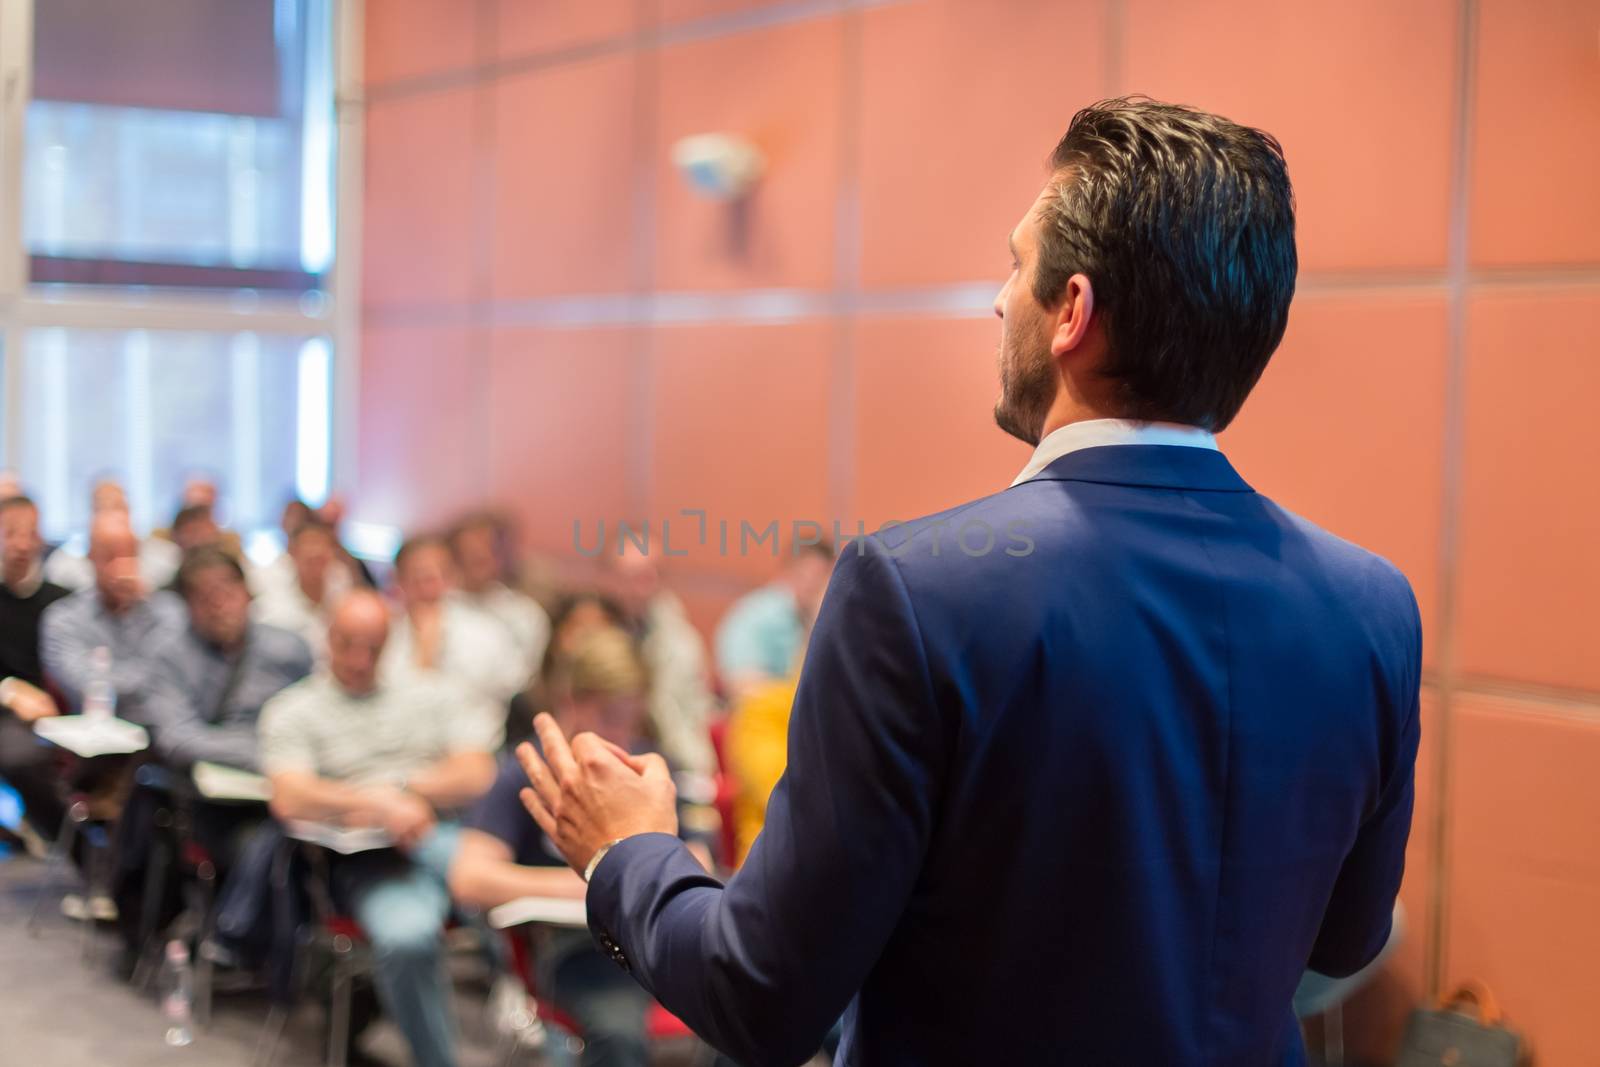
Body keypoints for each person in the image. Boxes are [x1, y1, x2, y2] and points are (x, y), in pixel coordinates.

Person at [514, 99, 1422, 1066]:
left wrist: (629, 852)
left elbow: (762, 994)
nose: (999, 300)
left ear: (1071, 312)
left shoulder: (912, 592)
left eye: (1015, 265)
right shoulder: (1372, 606)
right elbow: (1345, 938)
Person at [258, 590, 498, 1067]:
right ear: (327, 637)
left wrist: (403, 789)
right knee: (408, 938)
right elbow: (290, 796)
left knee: (530, 902)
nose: (359, 659)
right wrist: (375, 803)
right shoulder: (294, 709)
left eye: (373, 646)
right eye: (348, 643)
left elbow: (477, 772)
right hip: (365, 859)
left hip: (441, 837)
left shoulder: (426, 693)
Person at [451, 627, 695, 1067]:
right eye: (609, 717)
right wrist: (600, 879)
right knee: (618, 1032)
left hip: (652, 943)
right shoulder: (527, 772)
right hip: (572, 948)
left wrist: (617, 875)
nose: (621, 735)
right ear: (571, 702)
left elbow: (699, 862)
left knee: (758, 1008)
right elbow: (470, 878)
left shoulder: (646, 763)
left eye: (631, 718)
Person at [40, 510, 183, 721]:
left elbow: (181, 674)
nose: (121, 568)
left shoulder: (168, 611)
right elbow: (87, 687)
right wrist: (150, 681)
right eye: (110, 556)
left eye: (129, 555)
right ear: (90, 557)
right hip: (98, 739)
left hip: (166, 733)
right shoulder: (63, 618)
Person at [382, 535, 524, 725]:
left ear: (452, 577)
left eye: (438, 575)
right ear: (398, 579)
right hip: (403, 741)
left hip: (472, 743)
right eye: (418, 576)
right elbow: (389, 701)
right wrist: (424, 655)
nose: (429, 586)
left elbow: (500, 692)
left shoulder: (485, 632)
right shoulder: (386, 633)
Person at [604, 543, 716, 776]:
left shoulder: (680, 638)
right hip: (607, 757)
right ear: (609, 579)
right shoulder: (591, 630)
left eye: (654, 574)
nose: (646, 586)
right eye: (636, 576)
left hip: (675, 762)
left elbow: (698, 712)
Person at [0, 494, 73, 848]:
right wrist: (11, 691)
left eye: (30, 533)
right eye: (11, 532)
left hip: (63, 709)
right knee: (19, 755)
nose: (21, 543)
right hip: (8, 714)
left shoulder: (63, 600)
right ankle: (74, 847)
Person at [713, 542, 832, 701]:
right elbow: (741, 686)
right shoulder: (757, 614)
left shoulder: (813, 616)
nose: (813, 585)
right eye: (806, 575)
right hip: (759, 718)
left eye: (822, 578)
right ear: (789, 573)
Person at [448, 513, 550, 691]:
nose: (481, 554)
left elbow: (524, 675)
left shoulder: (525, 614)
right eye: (471, 550)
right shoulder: (438, 608)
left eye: (489, 547)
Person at [43, 478, 181, 592]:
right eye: (101, 508)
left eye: (118, 507)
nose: (111, 515)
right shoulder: (64, 564)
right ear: (91, 516)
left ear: (130, 511)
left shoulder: (166, 558)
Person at [252, 519, 348, 660]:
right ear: (293, 555)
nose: (316, 551)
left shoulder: (342, 592)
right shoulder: (273, 606)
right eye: (309, 555)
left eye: (321, 553)